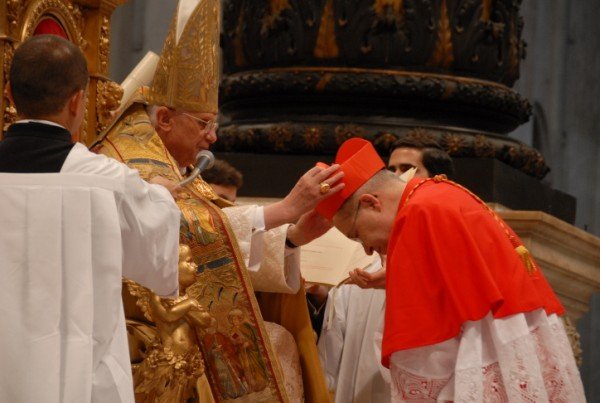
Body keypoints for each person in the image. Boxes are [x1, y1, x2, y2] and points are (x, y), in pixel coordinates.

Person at [92, 0, 340, 401]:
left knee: (277, 341)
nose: (213, 138)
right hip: (130, 325)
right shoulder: (130, 156)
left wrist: (291, 235)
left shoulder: (175, 162)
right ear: (165, 119)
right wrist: (285, 210)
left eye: (215, 124)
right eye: (204, 124)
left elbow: (213, 224)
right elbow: (190, 229)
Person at [316, 137, 586, 402]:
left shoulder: (419, 213)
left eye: (357, 234)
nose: (366, 249)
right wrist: (398, 277)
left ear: (371, 203)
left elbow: (426, 354)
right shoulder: (435, 196)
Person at [0, 35, 181, 402]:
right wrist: (162, 192)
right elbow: (159, 262)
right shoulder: (107, 182)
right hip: (81, 385)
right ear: (77, 101)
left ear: (8, 93)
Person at [318, 138, 454, 403]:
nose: (366, 249)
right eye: (391, 168)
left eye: (407, 168)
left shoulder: (439, 219)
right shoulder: (377, 252)